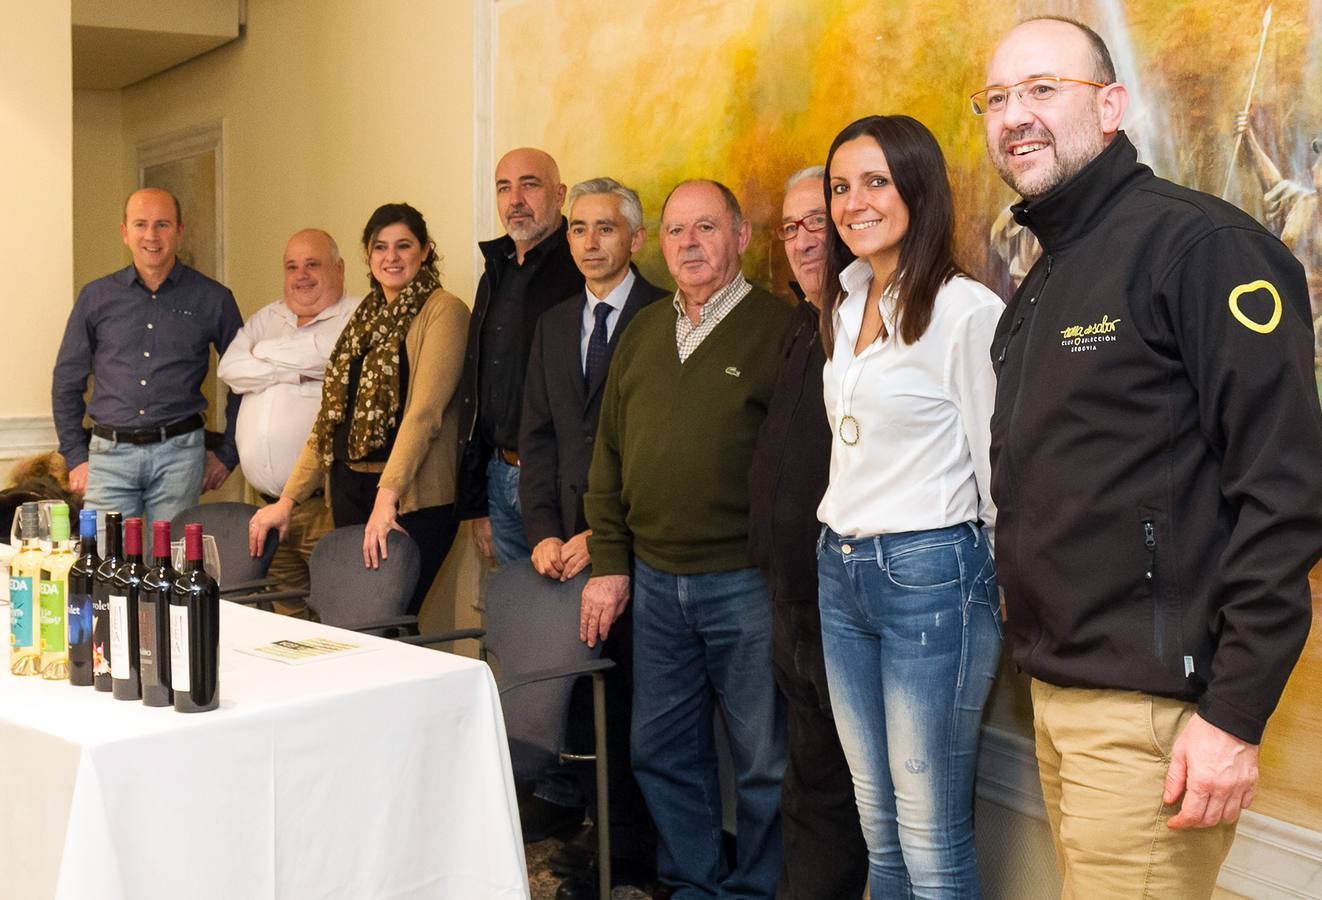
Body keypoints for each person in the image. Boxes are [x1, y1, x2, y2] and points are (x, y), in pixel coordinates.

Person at [976, 17, 1322, 897]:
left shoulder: (1202, 249)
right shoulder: (1049, 272)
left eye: (1043, 88)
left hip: (1153, 720)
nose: (1015, 114)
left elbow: (1285, 498)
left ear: (1111, 106)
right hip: (1060, 693)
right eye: (998, 97)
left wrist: (1234, 716)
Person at [583, 179, 793, 899]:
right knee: (661, 750)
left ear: (741, 236)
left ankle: (756, 891)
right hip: (654, 582)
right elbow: (607, 458)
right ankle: (691, 886)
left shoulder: (780, 330)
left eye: (707, 227)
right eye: (676, 230)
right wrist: (610, 562)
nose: (690, 243)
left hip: (745, 582)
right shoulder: (643, 333)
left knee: (764, 759)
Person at [813, 116, 1002, 898]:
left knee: (929, 833)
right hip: (840, 568)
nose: (853, 202)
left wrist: (1000, 582)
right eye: (839, 186)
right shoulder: (844, 300)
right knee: (878, 825)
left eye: (875, 182)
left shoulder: (966, 312)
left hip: (931, 574)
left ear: (918, 189)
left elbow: (1000, 467)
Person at [518, 177, 667, 895]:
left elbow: (659, 450)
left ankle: (633, 855)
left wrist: (602, 538)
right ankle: (598, 841)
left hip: (630, 548)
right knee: (581, 707)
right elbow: (539, 437)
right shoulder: (553, 324)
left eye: (605, 228)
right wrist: (544, 531)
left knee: (634, 706)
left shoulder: (663, 316)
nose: (589, 242)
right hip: (562, 553)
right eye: (578, 228)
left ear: (634, 239)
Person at [745, 165, 868, 900]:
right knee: (808, 780)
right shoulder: (803, 322)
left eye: (816, 221)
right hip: (788, 597)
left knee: (839, 790)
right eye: (790, 227)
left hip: (842, 601)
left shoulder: (873, 327)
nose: (802, 240)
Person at [250, 204, 469, 615]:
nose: (391, 257)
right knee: (358, 619)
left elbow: (424, 413)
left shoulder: (444, 311)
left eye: (404, 246)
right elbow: (331, 418)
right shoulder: (365, 316)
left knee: (387, 617)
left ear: (425, 250)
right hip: (351, 492)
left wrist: (387, 499)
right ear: (368, 256)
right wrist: (288, 500)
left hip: (411, 499)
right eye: (380, 247)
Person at [53, 187, 241, 529]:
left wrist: (229, 454)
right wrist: (76, 456)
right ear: (124, 232)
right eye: (140, 224)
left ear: (180, 231)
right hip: (109, 458)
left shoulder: (213, 298)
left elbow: (244, 381)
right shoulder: (96, 297)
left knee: (170, 558)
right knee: (104, 556)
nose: (151, 236)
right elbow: (67, 381)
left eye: (162, 225)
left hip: (179, 456)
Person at [217, 229, 359, 617]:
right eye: (292, 266)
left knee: (339, 615)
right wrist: (296, 373)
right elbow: (230, 368)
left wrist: (261, 355)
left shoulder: (356, 315)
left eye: (313, 264)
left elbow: (331, 355)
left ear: (339, 269)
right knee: (288, 620)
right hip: (266, 507)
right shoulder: (268, 317)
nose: (301, 275)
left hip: (323, 508)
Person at [456, 148, 585, 564]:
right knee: (513, 600)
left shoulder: (582, 271)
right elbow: (478, 386)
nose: (515, 200)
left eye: (529, 185)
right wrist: (477, 500)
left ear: (560, 194)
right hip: (498, 477)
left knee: (567, 601)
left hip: (558, 481)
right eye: (503, 188)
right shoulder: (496, 271)